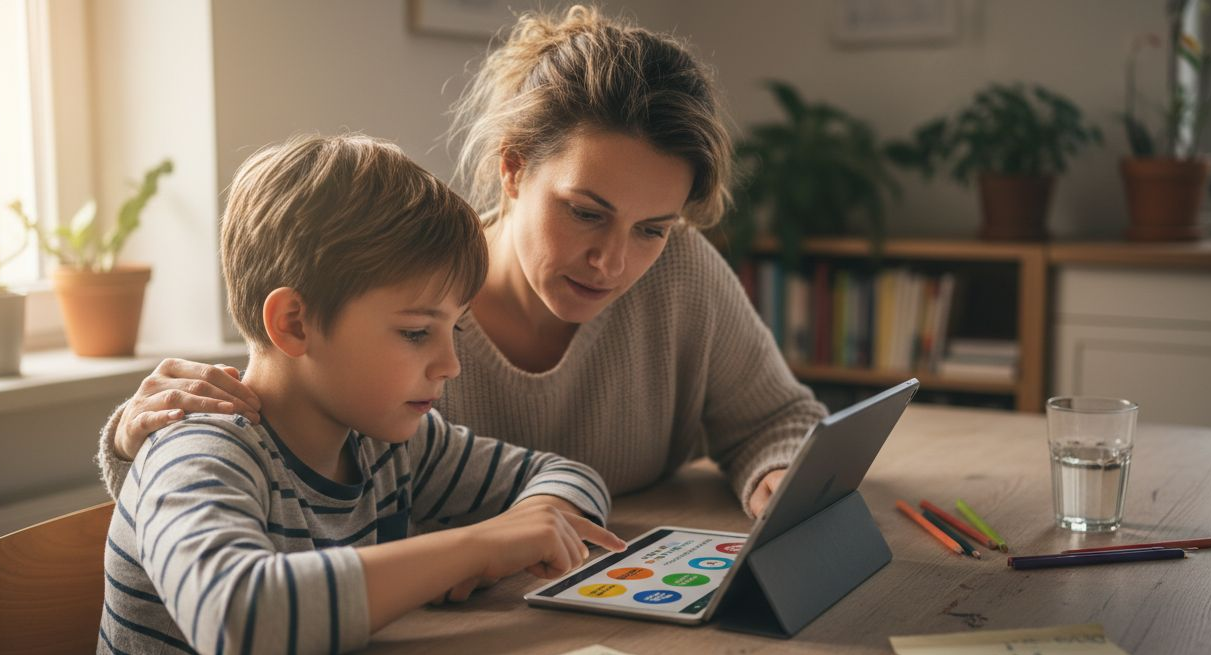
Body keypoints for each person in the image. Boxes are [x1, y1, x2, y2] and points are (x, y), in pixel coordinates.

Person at [95, 5, 826, 526]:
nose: (613, 260)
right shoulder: (403, 302)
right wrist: (138, 441)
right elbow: (285, 465)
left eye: (653, 229)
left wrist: (774, 476)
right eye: (585, 211)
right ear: (511, 171)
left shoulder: (680, 273)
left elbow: (778, 417)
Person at [93, 134, 624, 655]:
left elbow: (570, 477)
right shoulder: (201, 449)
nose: (450, 365)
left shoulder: (390, 444)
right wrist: (479, 546)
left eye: (453, 329)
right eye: (417, 332)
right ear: (294, 323)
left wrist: (530, 519)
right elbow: (238, 620)